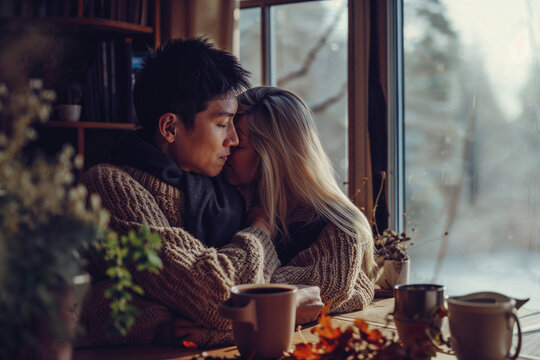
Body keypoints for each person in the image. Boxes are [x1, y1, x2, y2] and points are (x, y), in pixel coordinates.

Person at [80, 38, 280, 347]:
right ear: (170, 128)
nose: (235, 139)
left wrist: (210, 328)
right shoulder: (109, 185)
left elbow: (310, 285)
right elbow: (217, 298)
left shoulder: (231, 183)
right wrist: (260, 230)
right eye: (223, 123)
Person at [224, 86, 378, 314]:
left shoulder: (340, 228)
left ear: (273, 156)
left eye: (238, 145)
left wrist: (260, 229)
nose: (225, 146)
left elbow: (319, 294)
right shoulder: (222, 199)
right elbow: (218, 287)